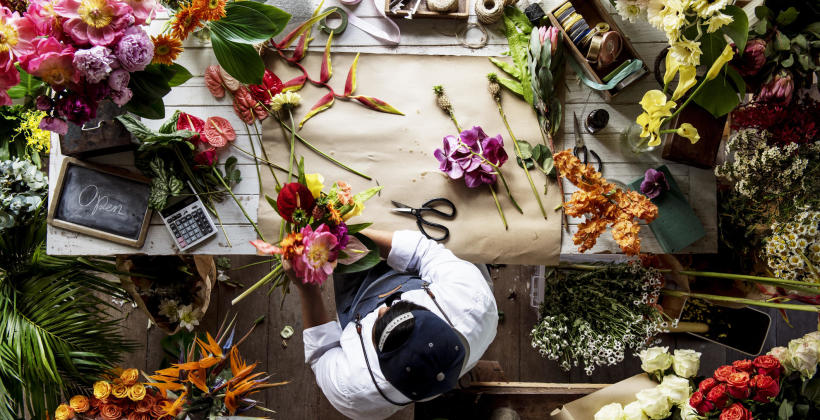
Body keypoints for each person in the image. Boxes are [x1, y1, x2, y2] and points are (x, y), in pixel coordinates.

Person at [289, 228, 498, 419]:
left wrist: (306, 289)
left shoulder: (353, 391)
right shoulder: (473, 302)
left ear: (384, 371)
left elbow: (321, 353)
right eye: (401, 306)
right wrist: (345, 235)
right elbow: (423, 252)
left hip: (358, 301)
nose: (382, 308)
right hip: (419, 277)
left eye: (379, 322)